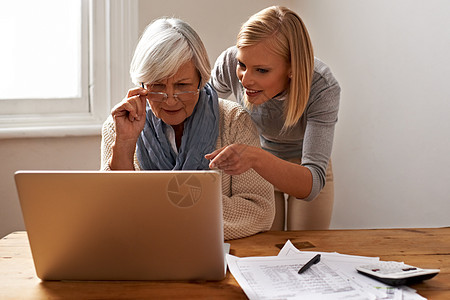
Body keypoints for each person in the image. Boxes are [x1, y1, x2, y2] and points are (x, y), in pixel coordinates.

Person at [100, 17, 274, 240]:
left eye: (182, 86)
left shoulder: (234, 121)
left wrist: (163, 212)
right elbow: (111, 213)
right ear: (141, 86)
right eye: (157, 86)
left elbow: (259, 210)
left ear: (201, 80)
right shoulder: (118, 126)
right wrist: (124, 144)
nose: (170, 100)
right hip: (143, 253)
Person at [207, 6, 340, 230]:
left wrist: (255, 158)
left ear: (291, 68)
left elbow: (313, 182)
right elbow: (197, 111)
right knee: (264, 251)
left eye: (261, 70)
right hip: (257, 165)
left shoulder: (322, 87)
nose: (245, 80)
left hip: (304, 168)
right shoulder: (229, 64)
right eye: (242, 65)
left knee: (308, 252)